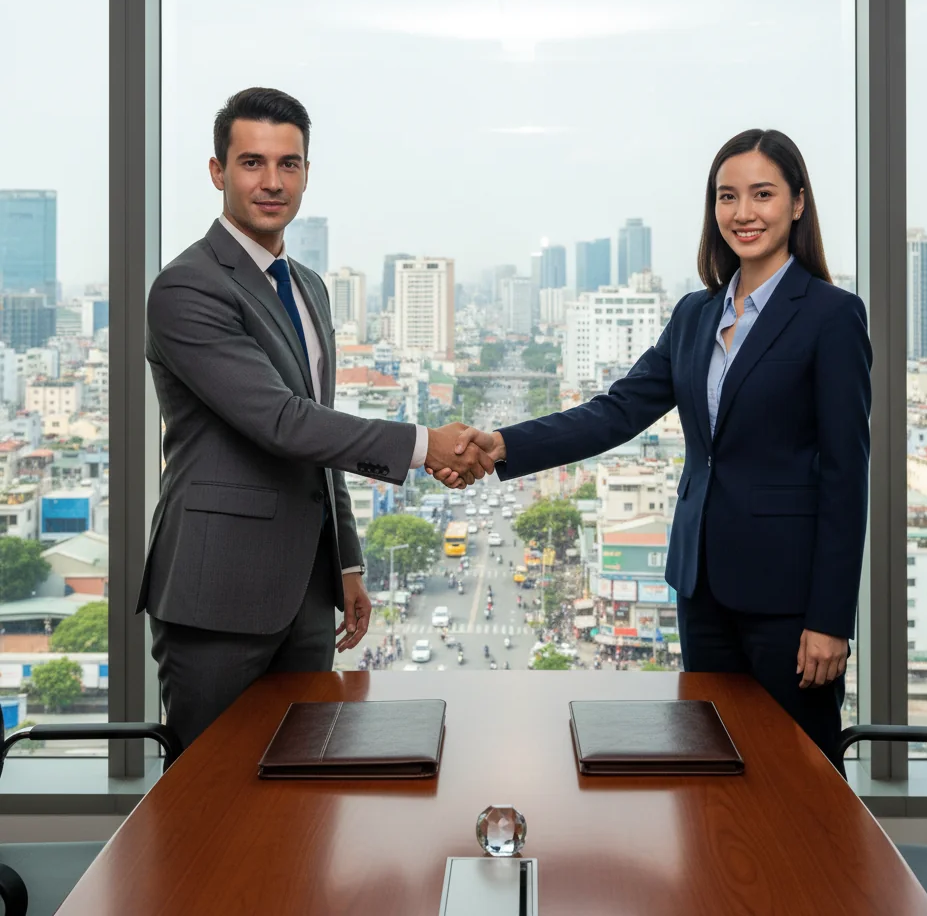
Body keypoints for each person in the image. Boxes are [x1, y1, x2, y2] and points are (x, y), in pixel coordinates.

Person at [432, 129, 871, 773]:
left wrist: (832, 619)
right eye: (727, 197)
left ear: (798, 204)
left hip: (788, 600)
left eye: (762, 194)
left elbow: (845, 475)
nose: (743, 213)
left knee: (795, 778)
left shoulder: (831, 316)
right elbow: (617, 411)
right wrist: (501, 446)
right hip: (702, 586)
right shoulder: (695, 315)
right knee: (711, 769)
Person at [139, 87, 495, 750]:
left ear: (305, 173)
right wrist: (426, 445)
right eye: (251, 163)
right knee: (207, 798)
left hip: (304, 590)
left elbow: (318, 427)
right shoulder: (188, 286)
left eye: (289, 164)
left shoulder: (307, 286)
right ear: (217, 172)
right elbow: (281, 421)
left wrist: (347, 563)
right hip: (216, 590)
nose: (272, 182)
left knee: (298, 787)